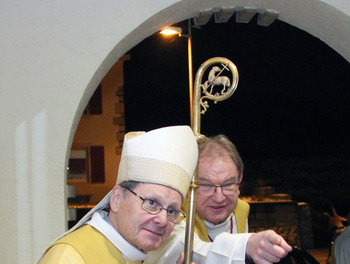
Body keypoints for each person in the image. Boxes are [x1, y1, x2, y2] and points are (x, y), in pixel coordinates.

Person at [37, 125, 199, 264]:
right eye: (151, 203)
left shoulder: (133, 254)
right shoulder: (70, 258)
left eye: (171, 211)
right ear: (116, 199)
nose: (163, 220)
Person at [146, 134, 292, 264]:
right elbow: (193, 250)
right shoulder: (173, 215)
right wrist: (247, 245)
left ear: (239, 180)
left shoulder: (240, 210)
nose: (219, 198)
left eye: (228, 184)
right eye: (206, 185)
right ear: (190, 185)